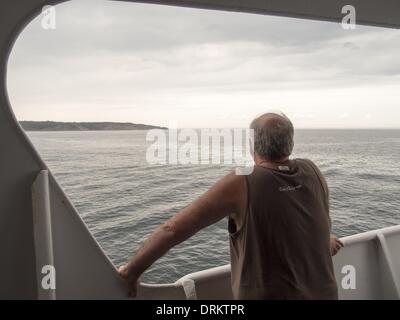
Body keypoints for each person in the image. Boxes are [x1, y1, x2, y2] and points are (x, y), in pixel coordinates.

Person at [119, 112, 344, 299]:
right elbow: (307, 214)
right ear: (291, 143)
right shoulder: (311, 170)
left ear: (252, 145)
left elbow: (173, 229)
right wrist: (324, 239)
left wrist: (132, 271)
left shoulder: (242, 181)